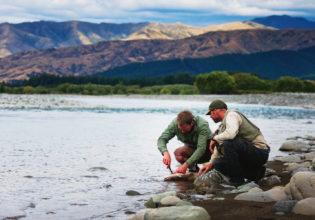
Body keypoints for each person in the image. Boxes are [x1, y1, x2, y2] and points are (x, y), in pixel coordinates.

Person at [198, 100, 270, 184]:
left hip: (260, 152)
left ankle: (237, 181)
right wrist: (210, 164)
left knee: (229, 143)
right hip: (249, 154)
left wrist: (214, 139)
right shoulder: (222, 127)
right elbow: (218, 148)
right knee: (217, 163)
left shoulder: (232, 115)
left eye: (211, 113)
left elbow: (230, 134)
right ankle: (254, 174)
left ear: (216, 111)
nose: (210, 116)